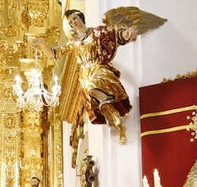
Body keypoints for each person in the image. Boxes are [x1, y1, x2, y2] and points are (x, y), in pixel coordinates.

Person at [57, 9, 138, 142]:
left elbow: (113, 35)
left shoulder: (96, 32)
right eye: (71, 22)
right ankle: (113, 116)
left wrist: (127, 33)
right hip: (84, 72)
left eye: (75, 18)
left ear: (81, 18)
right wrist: (41, 45)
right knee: (92, 92)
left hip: (97, 66)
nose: (74, 22)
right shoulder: (73, 42)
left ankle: (108, 102)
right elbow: (56, 53)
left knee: (92, 87)